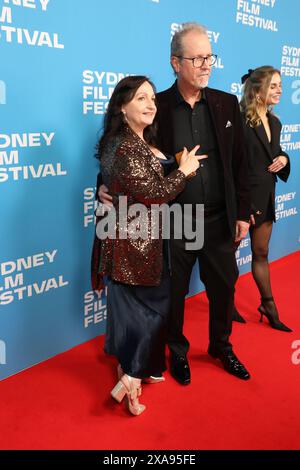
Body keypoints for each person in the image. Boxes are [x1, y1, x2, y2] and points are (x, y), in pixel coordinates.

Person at [99, 23, 252, 384]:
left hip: (218, 218)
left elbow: (241, 164)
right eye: (196, 58)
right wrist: (103, 187)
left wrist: (244, 213)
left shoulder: (226, 103)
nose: (205, 65)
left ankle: (221, 347)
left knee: (223, 288)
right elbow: (125, 148)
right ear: (175, 62)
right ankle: (177, 352)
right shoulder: (157, 106)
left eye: (209, 57)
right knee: (175, 292)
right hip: (178, 220)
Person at [91, 75, 204, 415]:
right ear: (122, 106)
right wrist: (184, 171)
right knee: (147, 314)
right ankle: (130, 379)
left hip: (148, 241)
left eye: (152, 98)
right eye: (141, 98)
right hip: (133, 245)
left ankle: (136, 372)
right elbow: (153, 195)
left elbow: (127, 184)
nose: (151, 104)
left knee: (142, 314)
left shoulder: (135, 141)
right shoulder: (123, 145)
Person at [239, 66, 292, 332]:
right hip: (242, 199)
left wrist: (284, 158)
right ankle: (224, 304)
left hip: (266, 196)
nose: (279, 90)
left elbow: (276, 152)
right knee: (226, 258)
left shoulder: (276, 122)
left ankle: (268, 305)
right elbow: (231, 166)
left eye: (280, 85)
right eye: (273, 85)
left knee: (261, 253)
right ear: (257, 90)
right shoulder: (239, 120)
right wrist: (241, 206)